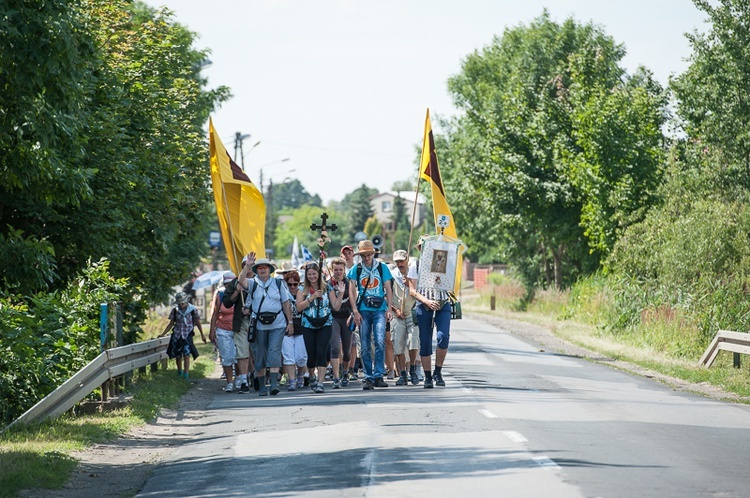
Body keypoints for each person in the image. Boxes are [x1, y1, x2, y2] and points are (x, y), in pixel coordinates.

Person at [348, 240, 393, 390]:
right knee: (365, 344)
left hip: (379, 308)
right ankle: (368, 376)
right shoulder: (357, 269)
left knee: (380, 340)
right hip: (363, 309)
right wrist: (355, 311)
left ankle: (378, 375)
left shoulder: (382, 268)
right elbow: (351, 290)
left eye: (369, 255)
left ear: (373, 254)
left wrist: (389, 309)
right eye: (363, 255)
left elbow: (388, 288)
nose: (366, 258)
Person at [245, 258, 294, 396]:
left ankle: (273, 385)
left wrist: (290, 322)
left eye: (265, 267)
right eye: (259, 267)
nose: (262, 269)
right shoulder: (252, 283)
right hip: (258, 325)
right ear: (256, 270)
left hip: (277, 323)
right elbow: (240, 281)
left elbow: (286, 304)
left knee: (274, 352)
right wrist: (247, 267)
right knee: (259, 355)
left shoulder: (278, 284)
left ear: (270, 269)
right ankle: (262, 387)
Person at [408, 236, 451, 389]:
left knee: (443, 337)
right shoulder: (416, 265)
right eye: (422, 247)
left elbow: (451, 282)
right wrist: (426, 301)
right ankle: (427, 376)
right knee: (425, 341)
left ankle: (438, 372)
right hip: (424, 305)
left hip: (442, 302)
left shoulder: (443, 263)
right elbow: (412, 290)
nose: (424, 250)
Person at [296, 262, 344, 393]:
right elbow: (299, 307)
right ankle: (312, 376)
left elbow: (336, 306)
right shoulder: (302, 289)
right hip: (308, 324)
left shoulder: (327, 288)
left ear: (319, 275)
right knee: (311, 356)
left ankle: (320, 382)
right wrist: (311, 298)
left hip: (325, 323)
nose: (312, 276)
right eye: (309, 274)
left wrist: (340, 294)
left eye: (314, 274)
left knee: (321, 352)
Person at [223, 253, 255, 393]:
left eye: (251, 266)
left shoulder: (261, 282)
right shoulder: (235, 282)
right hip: (241, 322)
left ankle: (257, 376)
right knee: (242, 352)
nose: (249, 269)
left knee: (256, 351)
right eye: (246, 266)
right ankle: (243, 380)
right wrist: (237, 292)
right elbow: (227, 303)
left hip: (258, 322)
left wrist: (251, 310)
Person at [390, 250, 420, 386]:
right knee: (398, 345)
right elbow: (387, 295)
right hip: (397, 314)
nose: (400, 264)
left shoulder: (414, 273)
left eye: (402, 261)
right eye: (397, 261)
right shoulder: (392, 275)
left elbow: (420, 293)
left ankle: (412, 368)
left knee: (413, 342)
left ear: (407, 260)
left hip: (412, 311)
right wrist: (395, 310)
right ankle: (402, 374)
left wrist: (410, 284)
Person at [161, 291, 206, 381]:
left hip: (187, 334)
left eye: (183, 303)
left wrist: (202, 335)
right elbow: (171, 323)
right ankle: (179, 372)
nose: (181, 305)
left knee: (187, 354)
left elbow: (198, 323)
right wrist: (163, 333)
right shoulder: (175, 310)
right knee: (178, 355)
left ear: (186, 302)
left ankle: (186, 374)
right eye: (179, 304)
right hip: (177, 334)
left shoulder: (192, 310)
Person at [210, 272, 238, 392]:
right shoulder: (220, 295)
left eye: (231, 284)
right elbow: (215, 314)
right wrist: (212, 331)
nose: (229, 286)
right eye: (227, 284)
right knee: (226, 356)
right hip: (223, 329)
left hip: (238, 329)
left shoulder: (240, 295)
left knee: (238, 355)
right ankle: (229, 382)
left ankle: (239, 379)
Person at [329, 257, 354, 387]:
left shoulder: (349, 282)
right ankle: (336, 377)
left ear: (344, 270)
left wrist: (353, 314)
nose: (338, 272)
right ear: (331, 270)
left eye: (340, 270)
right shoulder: (328, 284)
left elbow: (354, 300)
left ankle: (345, 372)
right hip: (333, 317)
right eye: (335, 270)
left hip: (347, 317)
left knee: (347, 350)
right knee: (335, 347)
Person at [281, 271, 307, 391]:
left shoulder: (303, 294)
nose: (292, 287)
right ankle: (292, 380)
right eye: (289, 284)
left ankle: (300, 374)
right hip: (286, 329)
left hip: (301, 329)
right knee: (288, 356)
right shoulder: (282, 294)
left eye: (295, 284)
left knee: (301, 357)